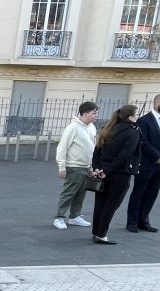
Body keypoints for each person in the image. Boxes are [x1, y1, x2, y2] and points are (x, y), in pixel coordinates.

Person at [91, 105, 141, 245]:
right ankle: (101, 235)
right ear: (130, 117)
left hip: (102, 172)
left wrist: (98, 169)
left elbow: (97, 152)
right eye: (136, 114)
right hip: (119, 174)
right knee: (111, 205)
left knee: (100, 204)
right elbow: (124, 156)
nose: (137, 117)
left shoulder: (108, 129)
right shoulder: (133, 132)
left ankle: (96, 232)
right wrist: (106, 171)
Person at [53, 101, 98, 230]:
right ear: (85, 114)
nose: (96, 116)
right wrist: (62, 166)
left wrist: (91, 166)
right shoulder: (72, 127)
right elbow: (62, 147)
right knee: (69, 192)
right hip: (74, 165)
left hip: (86, 166)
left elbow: (92, 147)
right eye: (93, 113)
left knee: (81, 193)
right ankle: (59, 217)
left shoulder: (92, 127)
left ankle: (74, 217)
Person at [126, 94, 160, 233]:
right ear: (157, 102)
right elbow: (142, 141)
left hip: (159, 167)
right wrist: (157, 156)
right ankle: (132, 222)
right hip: (146, 164)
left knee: (152, 194)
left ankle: (143, 221)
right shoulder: (143, 120)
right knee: (139, 192)